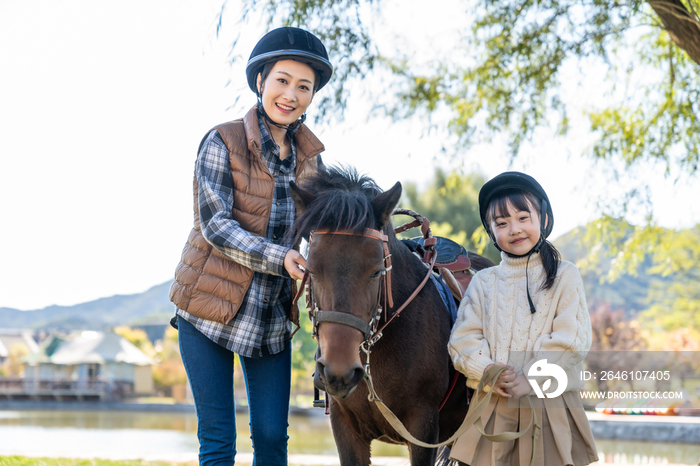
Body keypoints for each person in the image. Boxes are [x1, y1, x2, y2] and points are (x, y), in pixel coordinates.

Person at [168, 27, 333, 465]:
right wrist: (282, 258)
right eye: (282, 80)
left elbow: (322, 234)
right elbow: (216, 227)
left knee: (271, 439)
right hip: (206, 310)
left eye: (304, 87)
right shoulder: (221, 141)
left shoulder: (313, 162)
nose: (291, 95)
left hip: (270, 317)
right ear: (260, 81)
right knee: (219, 441)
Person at [447, 171, 599, 466]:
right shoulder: (484, 282)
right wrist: (488, 370)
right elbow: (462, 341)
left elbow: (572, 340)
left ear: (542, 219)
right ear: (492, 232)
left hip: (549, 404)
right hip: (493, 405)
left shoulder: (564, 275)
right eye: (501, 223)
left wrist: (531, 379)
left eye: (522, 217)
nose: (514, 229)